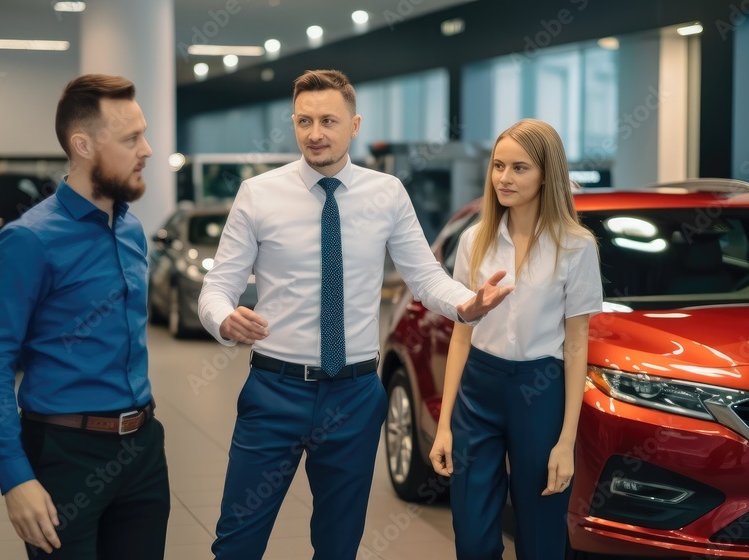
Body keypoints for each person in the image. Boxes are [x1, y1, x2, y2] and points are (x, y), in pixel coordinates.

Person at [197, 68, 515, 560]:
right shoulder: (259, 194)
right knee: (237, 540)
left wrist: (466, 305)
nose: (315, 133)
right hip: (274, 392)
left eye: (328, 120)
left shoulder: (386, 193)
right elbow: (217, 287)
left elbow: (425, 277)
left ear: (355, 124)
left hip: (354, 397)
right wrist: (223, 318)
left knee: (339, 545)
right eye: (304, 121)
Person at [0, 74, 170, 559]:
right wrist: (14, 476)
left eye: (144, 133)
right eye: (131, 138)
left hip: (143, 448)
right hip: (63, 453)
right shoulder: (28, 241)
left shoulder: (131, 231)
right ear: (83, 145)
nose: (147, 149)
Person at [428, 119, 603, 560]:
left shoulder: (576, 246)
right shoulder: (475, 240)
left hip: (540, 390)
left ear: (547, 174)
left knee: (542, 536)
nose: (504, 178)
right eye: (498, 166)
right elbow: (461, 336)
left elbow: (577, 345)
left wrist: (566, 441)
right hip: (478, 390)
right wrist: (445, 424)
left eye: (520, 168)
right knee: (472, 536)